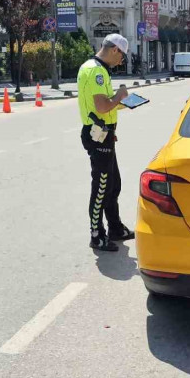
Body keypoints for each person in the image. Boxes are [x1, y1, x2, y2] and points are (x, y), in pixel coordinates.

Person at [77, 34, 135, 252]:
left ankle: (116, 229)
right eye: (122, 56)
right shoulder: (96, 72)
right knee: (101, 188)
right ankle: (97, 235)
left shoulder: (94, 68)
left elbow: (104, 106)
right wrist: (120, 96)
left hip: (105, 134)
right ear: (114, 50)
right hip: (97, 135)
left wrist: (121, 104)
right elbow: (102, 107)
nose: (122, 61)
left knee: (113, 184)